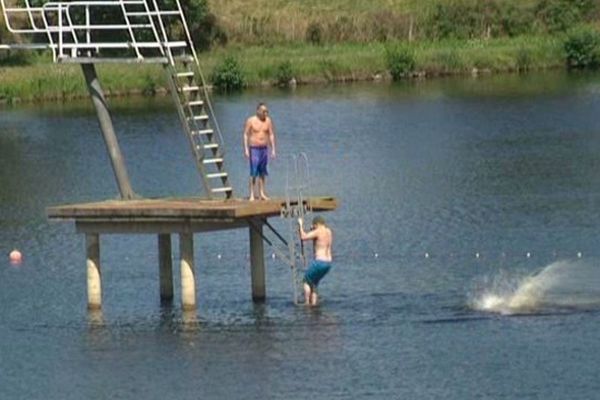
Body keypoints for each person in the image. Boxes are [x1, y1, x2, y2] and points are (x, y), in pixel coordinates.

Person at [243, 102, 276, 201]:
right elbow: (245, 134)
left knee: (263, 172)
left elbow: (271, 134)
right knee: (253, 172)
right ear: (258, 111)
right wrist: (246, 149)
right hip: (254, 148)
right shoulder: (251, 121)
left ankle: (262, 193)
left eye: (267, 111)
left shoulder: (268, 121)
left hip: (264, 148)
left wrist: (273, 149)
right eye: (263, 111)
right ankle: (252, 194)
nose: (265, 113)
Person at [298, 215, 333, 306]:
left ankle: (306, 303)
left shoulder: (317, 231)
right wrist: (313, 229)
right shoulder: (328, 231)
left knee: (306, 281)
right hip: (328, 263)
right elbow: (319, 238)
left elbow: (303, 237)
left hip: (319, 262)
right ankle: (314, 304)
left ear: (316, 224)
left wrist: (300, 225)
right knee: (314, 283)